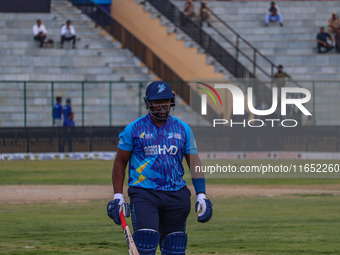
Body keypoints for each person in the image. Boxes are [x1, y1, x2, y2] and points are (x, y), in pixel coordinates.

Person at [107, 81, 213, 255]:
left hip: (177, 195)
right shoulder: (133, 129)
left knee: (175, 247)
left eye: (166, 100)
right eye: (157, 101)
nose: (163, 105)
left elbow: (194, 162)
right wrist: (118, 196)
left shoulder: (183, 129)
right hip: (144, 193)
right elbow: (119, 163)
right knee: (145, 242)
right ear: (148, 103)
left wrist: (201, 195)